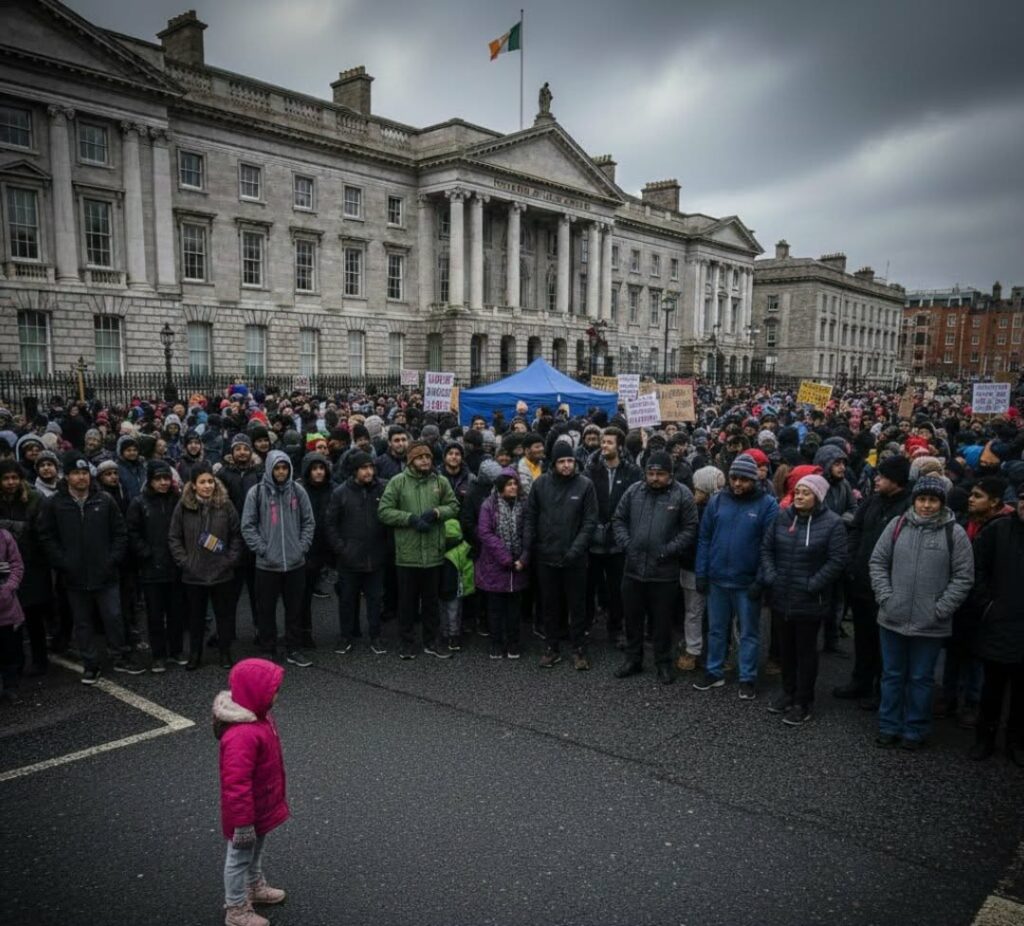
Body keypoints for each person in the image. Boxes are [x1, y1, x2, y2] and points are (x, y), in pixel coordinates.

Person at [869, 475, 974, 750]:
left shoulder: (955, 533)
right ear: (914, 500)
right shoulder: (897, 525)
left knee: (921, 678)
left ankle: (914, 729)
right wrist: (886, 597)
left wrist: (941, 609)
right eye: (922, 499)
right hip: (892, 617)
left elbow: (963, 577)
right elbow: (878, 562)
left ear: (941, 503)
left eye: (933, 500)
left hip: (931, 623)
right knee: (892, 675)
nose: (927, 505)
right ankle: (888, 725)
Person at [37, 451, 141, 683]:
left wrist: (111, 560)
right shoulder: (55, 503)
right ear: (67, 476)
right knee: (82, 622)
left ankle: (120, 656)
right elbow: (46, 536)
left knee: (113, 617)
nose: (81, 478)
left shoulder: (104, 500)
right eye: (76, 473)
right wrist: (63, 562)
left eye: (85, 473)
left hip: (106, 574)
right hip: (74, 577)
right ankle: (90, 663)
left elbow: (120, 533)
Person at [760, 474, 847, 725]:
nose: (799, 496)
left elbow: (837, 560)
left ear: (818, 496)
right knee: (785, 650)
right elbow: (767, 549)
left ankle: (803, 700)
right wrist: (772, 576)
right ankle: (788, 691)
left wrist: (813, 584)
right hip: (781, 596)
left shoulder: (832, 524)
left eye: (805, 493)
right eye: (797, 491)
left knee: (806, 652)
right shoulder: (782, 517)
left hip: (810, 600)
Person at [693, 454, 779, 699]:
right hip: (718, 579)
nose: (738, 484)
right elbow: (705, 538)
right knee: (716, 630)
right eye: (734, 478)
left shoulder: (767, 505)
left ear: (754, 479)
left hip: (747, 582)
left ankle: (747, 677)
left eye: (744, 479)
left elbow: (769, 546)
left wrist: (760, 579)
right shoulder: (717, 501)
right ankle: (714, 671)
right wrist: (702, 572)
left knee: (749, 632)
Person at [214, 658, 289, 926]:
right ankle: (235, 909)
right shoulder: (242, 734)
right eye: (273, 689)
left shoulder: (260, 716)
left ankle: (253, 886)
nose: (277, 694)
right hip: (246, 814)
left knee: (255, 850)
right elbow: (236, 785)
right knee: (238, 857)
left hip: (261, 805)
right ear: (255, 693)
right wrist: (242, 823)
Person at [612, 451, 698, 684]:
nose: (655, 478)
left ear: (670, 474)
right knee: (632, 619)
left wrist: (669, 550)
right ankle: (633, 659)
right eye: (651, 473)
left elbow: (690, 528)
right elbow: (618, 519)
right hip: (633, 569)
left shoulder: (682, 495)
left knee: (662, 622)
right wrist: (627, 545)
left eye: (660, 474)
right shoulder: (633, 492)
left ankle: (663, 663)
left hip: (664, 572)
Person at [834, 455, 912, 708]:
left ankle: (882, 690)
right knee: (863, 637)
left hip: (889, 588)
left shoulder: (909, 507)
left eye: (882, 476)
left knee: (885, 643)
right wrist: (851, 561)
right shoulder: (872, 502)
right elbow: (855, 530)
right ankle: (861, 681)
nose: (876, 479)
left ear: (897, 480)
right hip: (861, 583)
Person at [377, 439, 459, 660]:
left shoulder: (440, 481)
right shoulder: (398, 482)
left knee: (432, 601)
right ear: (411, 460)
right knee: (407, 602)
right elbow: (384, 511)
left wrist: (437, 513)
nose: (425, 461)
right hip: (407, 554)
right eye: (421, 457)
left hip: (433, 552)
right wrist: (410, 519)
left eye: (428, 457)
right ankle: (407, 642)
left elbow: (454, 506)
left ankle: (432, 641)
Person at [942, 476, 1011, 727]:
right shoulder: (964, 523)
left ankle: (972, 702)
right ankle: (948, 697)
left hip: (983, 605)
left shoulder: (1003, 528)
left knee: (975, 658)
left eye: (978, 496)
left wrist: (987, 602)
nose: (971, 499)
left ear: (994, 502)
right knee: (954, 652)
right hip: (960, 601)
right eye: (971, 495)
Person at [525, 441, 598, 670]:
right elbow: (531, 516)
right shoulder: (540, 485)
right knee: (549, 605)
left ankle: (579, 649)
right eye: (562, 461)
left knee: (577, 606)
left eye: (570, 461)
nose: (567, 465)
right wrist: (532, 545)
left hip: (575, 559)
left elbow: (589, 522)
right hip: (546, 556)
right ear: (553, 463)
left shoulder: (585, 485)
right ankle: (552, 648)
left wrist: (576, 549)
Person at [240, 450, 315, 668]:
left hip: (295, 563)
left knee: (295, 609)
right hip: (267, 565)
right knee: (266, 609)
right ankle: (268, 649)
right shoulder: (257, 492)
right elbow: (248, 526)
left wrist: (301, 547)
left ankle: (293, 648)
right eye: (277, 468)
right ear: (270, 469)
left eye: (284, 468)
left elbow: (309, 522)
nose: (281, 472)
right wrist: (262, 549)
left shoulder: (298, 491)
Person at [168, 461, 244, 669]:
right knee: (196, 618)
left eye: (210, 481)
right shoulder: (183, 506)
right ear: (193, 485)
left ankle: (225, 652)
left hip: (222, 572)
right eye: (202, 482)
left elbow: (236, 535)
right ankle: (195, 654)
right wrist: (185, 562)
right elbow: (174, 537)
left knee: (224, 616)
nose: (207, 486)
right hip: (194, 573)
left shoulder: (225, 504)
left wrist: (230, 560)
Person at [969, 484, 1024, 764]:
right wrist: (987, 605)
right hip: (999, 622)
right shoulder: (999, 530)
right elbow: (977, 568)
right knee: (992, 687)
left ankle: (1016, 741)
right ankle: (984, 738)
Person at [325, 450, 388, 654]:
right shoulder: (340, 493)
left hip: (376, 557)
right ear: (354, 471)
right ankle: (346, 637)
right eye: (364, 468)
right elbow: (331, 525)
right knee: (347, 600)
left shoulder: (383, 488)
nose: (369, 472)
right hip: (350, 559)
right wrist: (342, 550)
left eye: (371, 467)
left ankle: (376, 637)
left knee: (375, 600)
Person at [586, 427, 641, 648]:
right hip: (594, 540)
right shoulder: (591, 471)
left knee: (617, 589)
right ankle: (586, 626)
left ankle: (616, 628)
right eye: (603, 442)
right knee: (589, 587)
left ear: (619, 445)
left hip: (618, 541)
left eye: (609, 442)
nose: (604, 446)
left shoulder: (632, 472)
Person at [126, 460, 183, 672]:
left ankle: (176, 651)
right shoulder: (139, 503)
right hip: (151, 569)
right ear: (150, 481)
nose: (163, 483)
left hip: (175, 565)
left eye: (166, 478)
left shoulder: (178, 500)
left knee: (176, 612)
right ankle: (158, 655)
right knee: (155, 615)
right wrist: (145, 553)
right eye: (158, 479)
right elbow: (132, 532)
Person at [0, 459, 50, 675]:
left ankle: (41, 660)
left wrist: (7, 526)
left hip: (32, 564)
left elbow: (40, 530)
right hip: (5, 567)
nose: (10, 482)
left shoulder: (34, 498)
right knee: (10, 621)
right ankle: (16, 664)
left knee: (34, 615)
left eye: (14, 478)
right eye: (6, 478)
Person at [475, 467, 530, 659]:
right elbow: (485, 533)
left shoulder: (524, 504)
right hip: (495, 564)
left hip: (518, 565)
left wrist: (524, 558)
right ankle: (496, 643)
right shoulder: (489, 505)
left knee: (515, 609)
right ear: (500, 487)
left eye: (515, 483)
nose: (513, 487)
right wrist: (505, 558)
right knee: (495, 608)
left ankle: (514, 643)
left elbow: (529, 532)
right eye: (509, 484)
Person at [438, 517, 475, 650]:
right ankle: (454, 637)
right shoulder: (463, 548)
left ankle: (444, 633)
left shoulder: (438, 548)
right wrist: (468, 588)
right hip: (456, 587)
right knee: (455, 612)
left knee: (442, 611)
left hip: (440, 588)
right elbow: (468, 570)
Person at [0, 525, 25, 703]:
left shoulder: (4, 536)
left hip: (6, 606)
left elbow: (17, 565)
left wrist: (8, 588)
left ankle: (10, 686)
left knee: (9, 650)